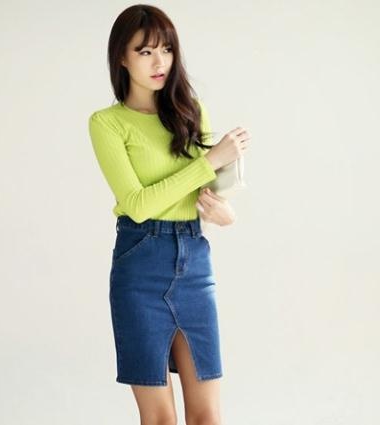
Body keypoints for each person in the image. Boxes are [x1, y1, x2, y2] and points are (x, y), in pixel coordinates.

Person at [88, 5, 251, 425]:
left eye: (166, 49)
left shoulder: (190, 112)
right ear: (122, 58)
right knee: (160, 418)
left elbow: (204, 193)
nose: (159, 61)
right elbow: (138, 204)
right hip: (139, 265)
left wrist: (226, 214)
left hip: (194, 261)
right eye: (145, 52)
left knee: (207, 416)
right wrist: (210, 160)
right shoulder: (108, 123)